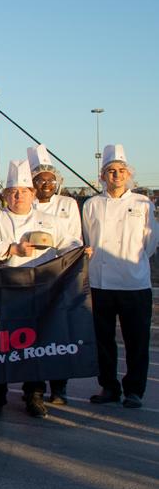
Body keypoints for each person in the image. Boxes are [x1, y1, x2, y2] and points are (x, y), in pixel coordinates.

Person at [0, 160, 80, 419]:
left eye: (23, 191)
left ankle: (34, 396)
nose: (18, 196)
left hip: (40, 289)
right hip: (2, 289)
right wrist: (11, 249)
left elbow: (69, 243)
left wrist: (80, 251)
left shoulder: (50, 220)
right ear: (5, 195)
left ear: (32, 194)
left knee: (35, 344)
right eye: (13, 192)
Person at [83, 145, 158, 410]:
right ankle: (109, 387)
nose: (116, 175)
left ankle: (134, 390)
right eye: (111, 171)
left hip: (134, 282)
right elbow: (88, 239)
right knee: (103, 341)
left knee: (136, 340)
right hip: (100, 282)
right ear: (102, 176)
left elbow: (150, 243)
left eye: (121, 170)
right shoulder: (91, 205)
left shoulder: (143, 203)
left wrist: (132, 261)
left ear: (128, 174)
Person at [27, 144, 81, 404]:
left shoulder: (68, 204)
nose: (46, 184)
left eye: (50, 180)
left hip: (60, 275)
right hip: (32, 277)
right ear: (32, 184)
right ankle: (34, 389)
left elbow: (74, 239)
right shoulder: (26, 205)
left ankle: (59, 387)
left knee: (59, 331)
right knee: (32, 334)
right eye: (40, 180)